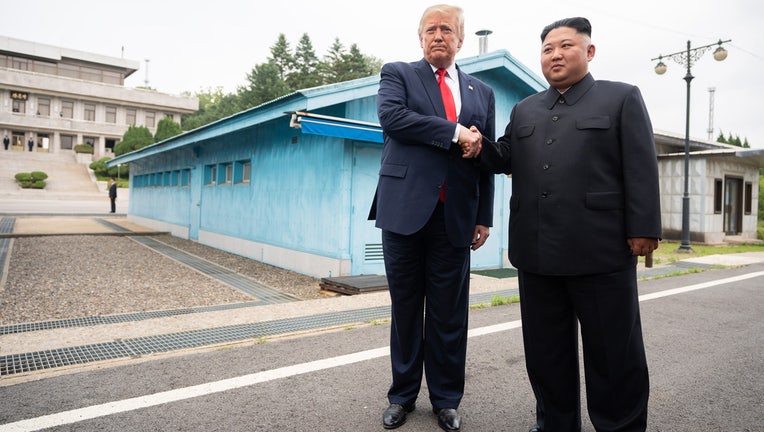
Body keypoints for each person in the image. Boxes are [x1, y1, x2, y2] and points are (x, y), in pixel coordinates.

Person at [471, 17, 661, 432]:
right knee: (545, 354)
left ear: (589, 52)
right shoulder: (525, 109)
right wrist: (477, 145)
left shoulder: (620, 98)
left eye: (565, 46)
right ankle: (555, 424)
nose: (555, 54)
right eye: (547, 49)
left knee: (614, 354)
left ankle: (620, 425)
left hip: (601, 251)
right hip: (536, 253)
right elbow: (504, 157)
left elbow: (642, 167)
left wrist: (644, 227)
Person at [368, 4, 495, 431]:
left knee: (448, 314)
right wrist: (454, 132)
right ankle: (401, 395)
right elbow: (393, 119)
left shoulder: (482, 92)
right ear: (420, 38)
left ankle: (446, 400)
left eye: (447, 29)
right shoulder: (398, 74)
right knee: (406, 309)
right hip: (403, 211)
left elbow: (486, 158)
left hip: (456, 215)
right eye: (430, 29)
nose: (438, 35)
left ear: (460, 40)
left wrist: (484, 215)